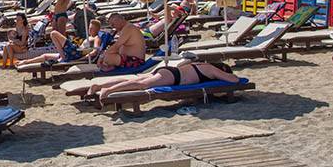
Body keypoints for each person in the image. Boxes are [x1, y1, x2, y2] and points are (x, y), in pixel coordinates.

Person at [89, 60, 240, 103]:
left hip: (170, 71)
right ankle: (108, 90)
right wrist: (234, 77)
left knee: (137, 79)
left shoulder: (201, 64)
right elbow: (233, 80)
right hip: (174, 78)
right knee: (142, 85)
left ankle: (99, 85)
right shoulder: (211, 69)